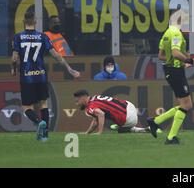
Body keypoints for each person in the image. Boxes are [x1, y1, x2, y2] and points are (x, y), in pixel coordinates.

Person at [11, 12, 80, 141]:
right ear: (35, 21)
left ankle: (38, 122)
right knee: (43, 104)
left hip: (27, 76)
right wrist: (69, 69)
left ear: (24, 21)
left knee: (27, 107)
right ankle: (45, 136)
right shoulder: (42, 37)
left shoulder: (18, 37)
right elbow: (57, 56)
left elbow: (15, 57)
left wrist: (14, 69)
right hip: (41, 75)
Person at [146, 10, 193, 145]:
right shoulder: (176, 33)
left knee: (185, 104)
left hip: (170, 70)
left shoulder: (167, 33)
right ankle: (170, 136)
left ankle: (156, 122)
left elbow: (161, 56)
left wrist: (179, 61)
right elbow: (175, 52)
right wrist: (187, 61)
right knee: (187, 105)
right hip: (175, 71)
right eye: (184, 19)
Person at [73, 90, 147, 134]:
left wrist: (99, 132)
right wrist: (87, 133)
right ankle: (142, 130)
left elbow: (101, 114)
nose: (77, 104)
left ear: (83, 98)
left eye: (77, 101)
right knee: (119, 127)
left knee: (118, 129)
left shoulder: (90, 106)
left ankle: (120, 128)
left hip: (127, 118)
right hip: (130, 106)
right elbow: (95, 121)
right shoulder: (95, 97)